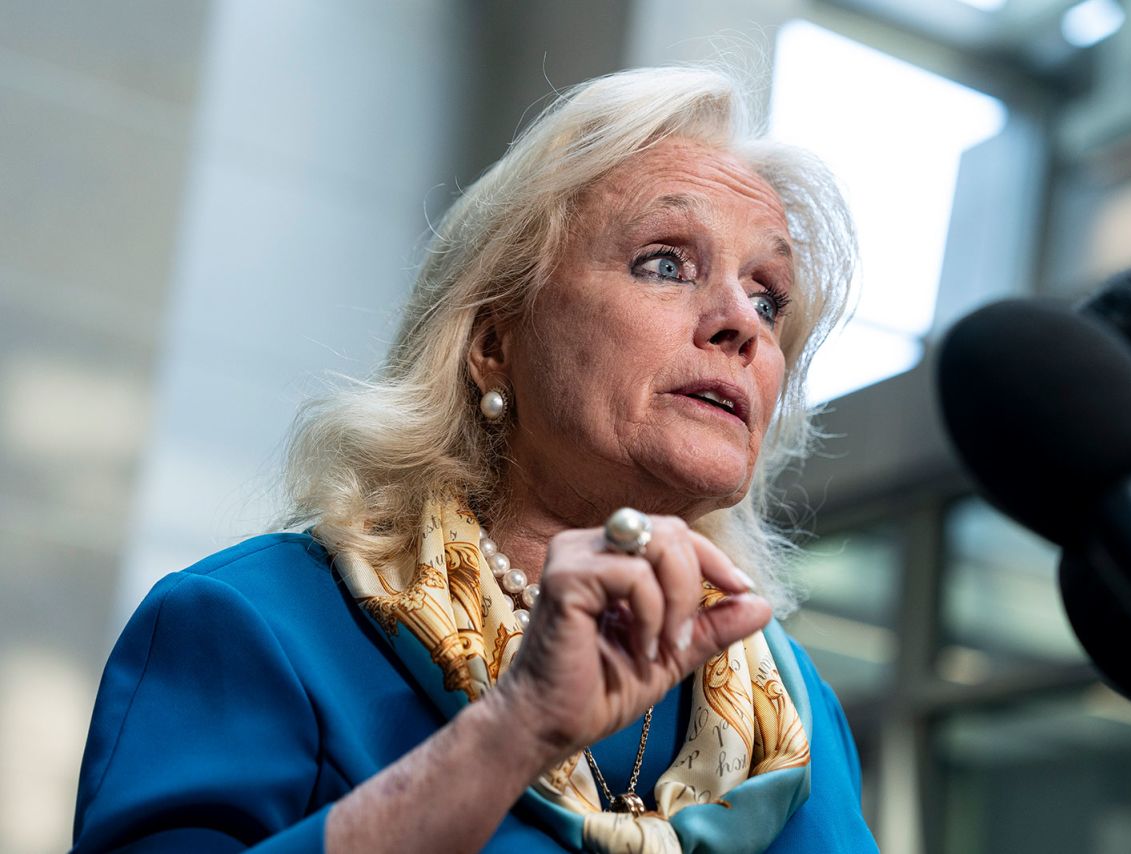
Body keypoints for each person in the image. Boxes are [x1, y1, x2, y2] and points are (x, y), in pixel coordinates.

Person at [71, 65, 878, 853]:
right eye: (665, 262)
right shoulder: (254, 621)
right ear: (494, 342)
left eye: (768, 297)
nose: (741, 322)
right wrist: (510, 731)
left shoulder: (800, 717)